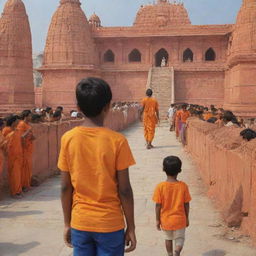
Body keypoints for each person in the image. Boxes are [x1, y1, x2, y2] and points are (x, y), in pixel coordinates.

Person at [58, 77, 136, 255]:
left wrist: (66, 223)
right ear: (108, 106)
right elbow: (124, 190)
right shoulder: (118, 141)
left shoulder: (68, 138)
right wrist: (131, 227)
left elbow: (64, 187)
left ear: (78, 107)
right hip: (109, 223)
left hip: (80, 221)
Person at [153, 156, 191, 256]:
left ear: (163, 169)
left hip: (166, 220)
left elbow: (158, 205)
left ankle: (170, 253)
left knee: (168, 238)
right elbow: (186, 204)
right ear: (180, 170)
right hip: (179, 219)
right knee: (180, 238)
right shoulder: (183, 186)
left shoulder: (160, 187)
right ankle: (177, 250)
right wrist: (187, 217)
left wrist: (157, 220)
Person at [4, 115, 23, 198]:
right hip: (11, 156)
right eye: (17, 121)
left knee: (18, 174)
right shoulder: (6, 130)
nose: (18, 122)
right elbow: (5, 142)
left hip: (19, 154)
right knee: (14, 174)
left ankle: (18, 190)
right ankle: (14, 192)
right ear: (13, 121)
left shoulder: (17, 130)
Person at [17, 110, 35, 192]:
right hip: (23, 149)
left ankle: (27, 184)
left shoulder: (28, 125)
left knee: (28, 168)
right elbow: (21, 137)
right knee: (24, 168)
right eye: (30, 116)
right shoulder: (21, 124)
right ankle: (23, 186)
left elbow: (29, 136)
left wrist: (32, 136)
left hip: (28, 149)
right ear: (26, 116)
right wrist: (28, 131)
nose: (31, 117)